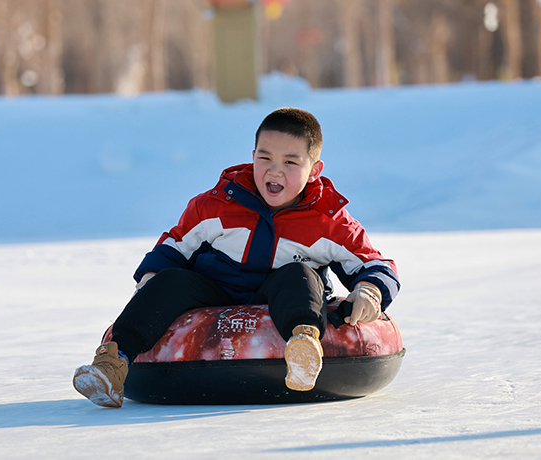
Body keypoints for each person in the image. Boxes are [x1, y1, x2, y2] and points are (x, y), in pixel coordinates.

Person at [73, 107, 400, 407]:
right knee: (170, 280)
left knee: (299, 274)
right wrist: (151, 278)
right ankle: (114, 363)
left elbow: (373, 263)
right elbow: (174, 245)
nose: (275, 171)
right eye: (265, 158)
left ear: (314, 170)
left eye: (290, 162)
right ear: (252, 156)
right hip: (214, 291)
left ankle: (303, 346)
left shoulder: (328, 221)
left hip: (281, 297)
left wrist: (370, 290)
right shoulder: (216, 205)